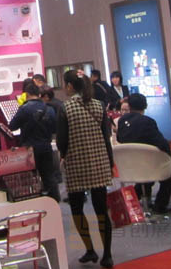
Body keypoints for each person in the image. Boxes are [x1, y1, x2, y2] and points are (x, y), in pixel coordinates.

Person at [57, 70, 114, 268]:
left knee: (77, 209)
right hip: (99, 162)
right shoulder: (99, 105)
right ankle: (107, 254)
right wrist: (110, 162)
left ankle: (90, 249)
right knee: (101, 210)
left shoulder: (66, 108)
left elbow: (62, 141)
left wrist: (63, 154)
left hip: (76, 163)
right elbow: (106, 136)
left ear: (70, 86)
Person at [117, 93, 171, 214]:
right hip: (147, 165)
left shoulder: (122, 121)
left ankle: (137, 195)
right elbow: (162, 143)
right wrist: (169, 154)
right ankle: (160, 205)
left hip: (128, 165)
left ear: (129, 106)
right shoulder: (148, 122)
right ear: (145, 106)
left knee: (147, 167)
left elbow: (120, 139)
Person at [9, 82, 60, 202]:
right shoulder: (49, 109)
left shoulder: (24, 109)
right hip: (46, 147)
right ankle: (54, 201)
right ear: (39, 94)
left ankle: (35, 202)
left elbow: (12, 126)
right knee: (49, 176)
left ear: (27, 94)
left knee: (31, 179)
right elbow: (54, 128)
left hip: (29, 149)